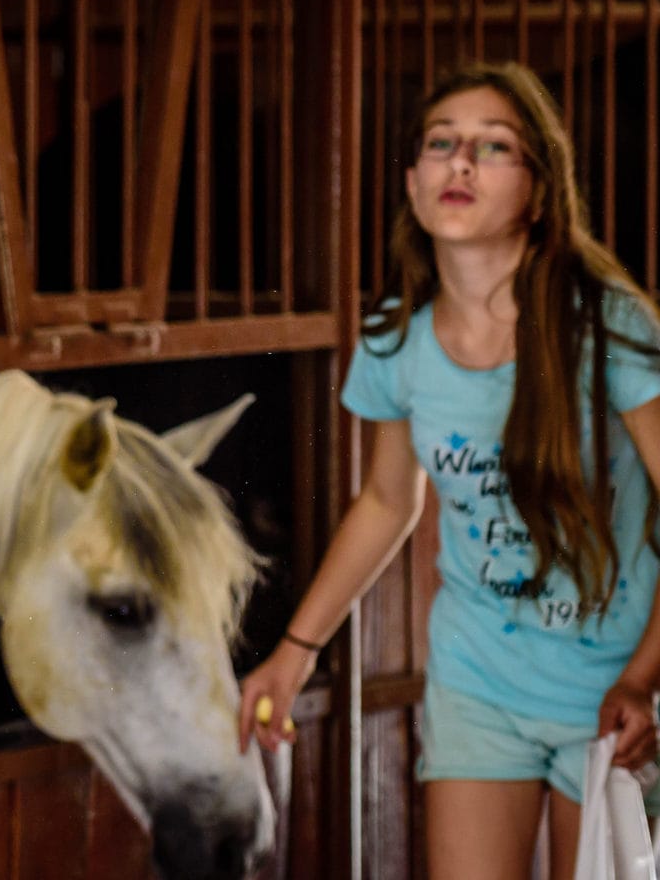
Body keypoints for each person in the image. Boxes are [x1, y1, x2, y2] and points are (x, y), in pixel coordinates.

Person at [238, 62, 660, 878]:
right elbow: (388, 502)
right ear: (412, 181)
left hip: (613, 690)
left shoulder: (611, 326)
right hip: (479, 684)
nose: (459, 162)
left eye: (493, 146)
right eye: (441, 143)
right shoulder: (397, 338)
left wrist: (646, 678)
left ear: (539, 192)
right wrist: (296, 649)